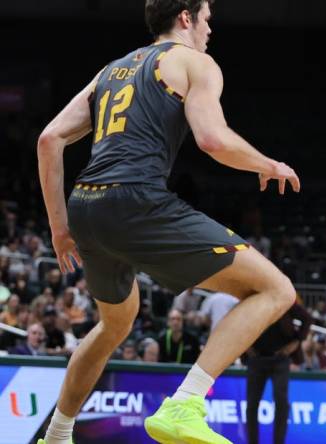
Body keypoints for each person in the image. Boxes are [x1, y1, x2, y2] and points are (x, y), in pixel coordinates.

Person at [35, 1, 300, 443]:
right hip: (136, 202)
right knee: (276, 289)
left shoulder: (111, 70)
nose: (210, 28)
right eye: (207, 18)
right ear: (185, 17)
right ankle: (186, 403)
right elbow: (213, 139)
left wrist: (60, 229)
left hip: (85, 207)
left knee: (115, 324)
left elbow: (49, 139)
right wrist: (267, 163)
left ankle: (57, 435)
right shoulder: (195, 62)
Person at [245, 302, 313, 444]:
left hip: (280, 358)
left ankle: (279, 441)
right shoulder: (252, 299)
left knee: (281, 401)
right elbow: (238, 322)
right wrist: (245, 345)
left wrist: (296, 341)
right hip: (256, 357)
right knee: (252, 403)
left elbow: (307, 318)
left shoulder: (284, 299)